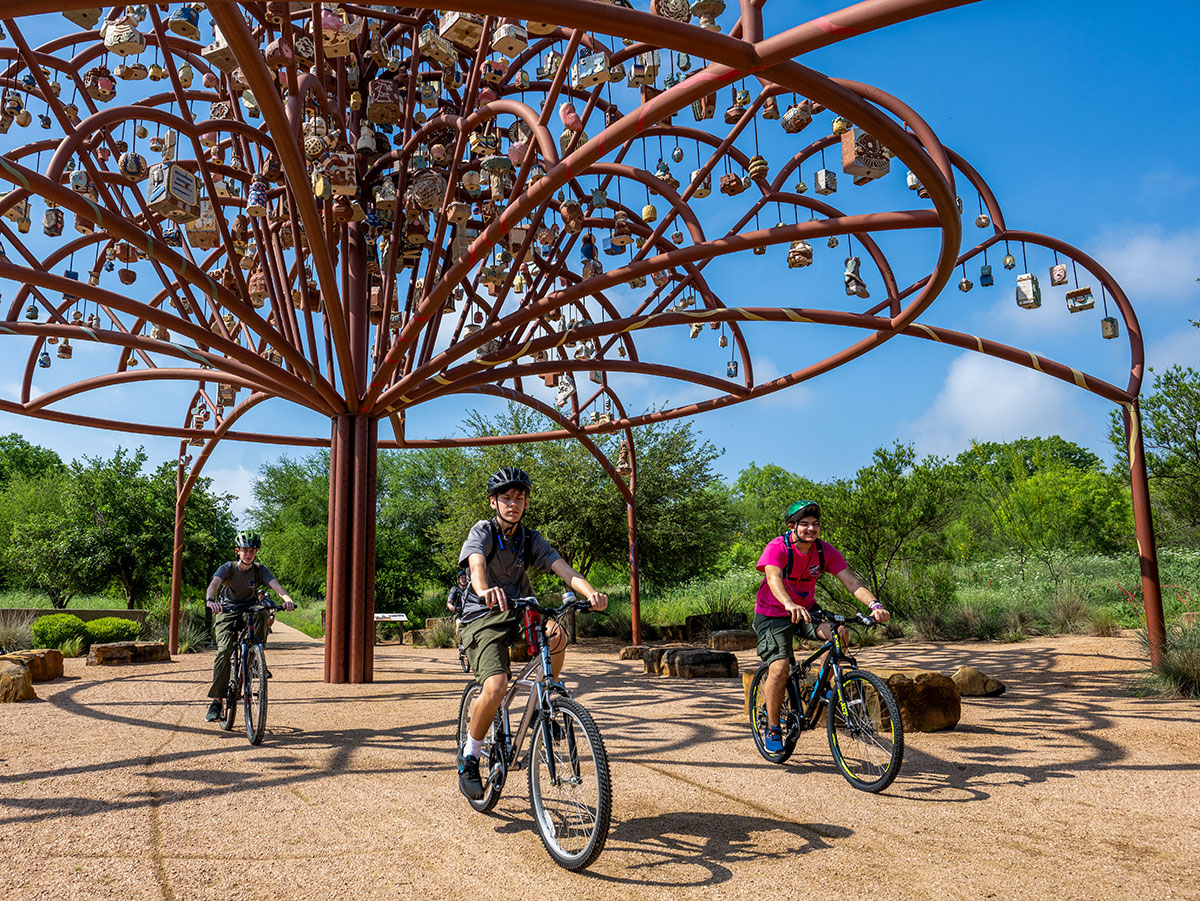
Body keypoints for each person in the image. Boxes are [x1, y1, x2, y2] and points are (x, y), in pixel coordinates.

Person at [455, 466, 607, 801]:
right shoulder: (482, 531)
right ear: (494, 502)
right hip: (482, 615)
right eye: (506, 498)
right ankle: (469, 756)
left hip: (520, 610)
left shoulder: (529, 538)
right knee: (495, 687)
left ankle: (546, 698)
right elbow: (477, 566)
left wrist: (591, 592)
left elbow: (563, 568)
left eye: (519, 498)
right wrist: (483, 591)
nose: (514, 504)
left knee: (556, 635)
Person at [753, 500, 889, 753]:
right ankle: (772, 728)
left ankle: (823, 685)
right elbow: (773, 578)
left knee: (840, 632)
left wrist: (875, 605)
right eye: (804, 524)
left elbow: (851, 581)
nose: (811, 529)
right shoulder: (777, 548)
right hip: (773, 613)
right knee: (780, 667)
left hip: (806, 611)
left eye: (815, 524)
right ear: (792, 526)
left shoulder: (824, 551)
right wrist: (789, 603)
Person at [203, 530, 295, 722]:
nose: (249, 553)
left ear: (256, 552)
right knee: (224, 650)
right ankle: (217, 702)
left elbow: (275, 585)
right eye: (245, 550)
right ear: (238, 551)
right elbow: (214, 584)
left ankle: (255, 655)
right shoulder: (228, 568)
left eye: (252, 550)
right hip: (227, 610)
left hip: (249, 609)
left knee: (262, 611)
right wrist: (211, 600)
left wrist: (287, 599)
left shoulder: (260, 570)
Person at [446, 568, 469, 648]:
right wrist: (451, 606)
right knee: (459, 624)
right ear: (458, 579)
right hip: (458, 612)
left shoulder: (470, 589)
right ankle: (461, 644)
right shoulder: (454, 589)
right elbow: (449, 602)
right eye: (462, 578)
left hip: (469, 612)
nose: (464, 579)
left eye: (465, 577)